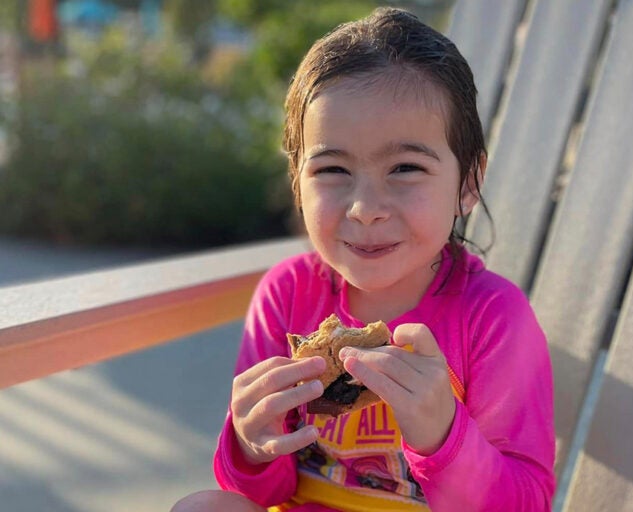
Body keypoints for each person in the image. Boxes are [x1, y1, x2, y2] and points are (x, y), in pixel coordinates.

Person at [172, 7, 554, 512]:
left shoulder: (492, 318)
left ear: (468, 183)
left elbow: (527, 502)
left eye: (405, 167)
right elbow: (262, 494)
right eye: (332, 169)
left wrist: (444, 437)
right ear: (298, 184)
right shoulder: (288, 294)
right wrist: (252, 445)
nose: (366, 209)